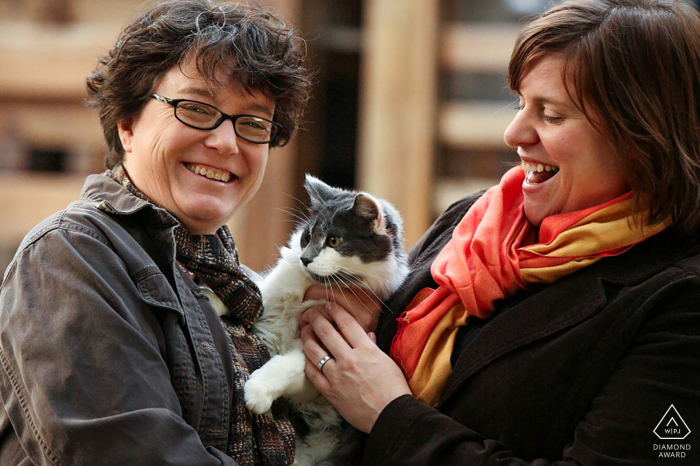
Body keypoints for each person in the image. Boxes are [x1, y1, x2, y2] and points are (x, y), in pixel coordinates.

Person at [300, 0, 700, 464]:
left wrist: (391, 415)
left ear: (643, 135)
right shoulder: (471, 219)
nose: (514, 133)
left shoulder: (681, 301)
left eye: (551, 115)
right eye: (520, 102)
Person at [0, 0, 312, 464]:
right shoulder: (71, 257)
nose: (226, 142)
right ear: (127, 124)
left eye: (252, 123)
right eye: (196, 108)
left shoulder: (238, 288)